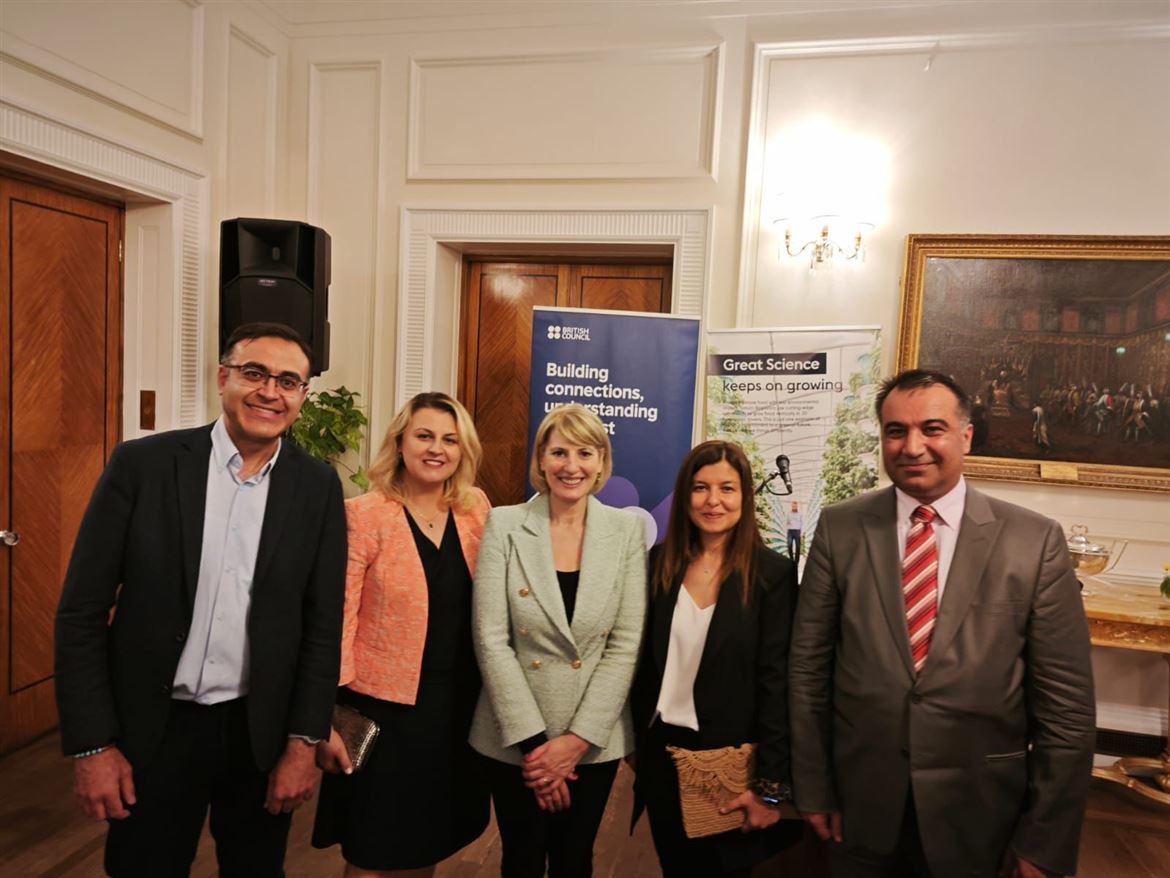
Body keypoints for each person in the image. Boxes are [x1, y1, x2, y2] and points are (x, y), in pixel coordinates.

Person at [54, 322, 347, 877]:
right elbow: (80, 613)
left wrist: (302, 744)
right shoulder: (143, 466)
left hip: (258, 734)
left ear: (303, 395)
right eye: (254, 373)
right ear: (222, 378)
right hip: (154, 731)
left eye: (288, 381)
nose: (270, 392)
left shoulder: (317, 487)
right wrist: (92, 746)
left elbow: (321, 626)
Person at [789, 369, 1095, 878]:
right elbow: (807, 672)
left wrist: (1046, 839)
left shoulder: (1034, 541)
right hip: (860, 805)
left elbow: (1067, 708)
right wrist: (814, 788)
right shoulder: (840, 528)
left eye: (932, 429)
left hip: (982, 813)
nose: (912, 447)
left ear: (966, 436)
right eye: (895, 431)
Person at [312, 392, 492, 876]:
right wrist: (327, 712)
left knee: (427, 840)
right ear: (400, 443)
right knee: (372, 845)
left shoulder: (475, 509)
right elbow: (338, 618)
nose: (437, 449)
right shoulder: (365, 514)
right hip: (383, 710)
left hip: (456, 706)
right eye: (424, 436)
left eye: (450, 439)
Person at [469, 403, 647, 878]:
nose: (572, 465)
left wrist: (574, 743)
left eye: (585, 453)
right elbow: (491, 639)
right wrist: (537, 750)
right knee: (521, 859)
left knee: (574, 860)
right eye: (559, 452)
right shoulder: (505, 524)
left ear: (602, 461)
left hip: (593, 738)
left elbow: (625, 644)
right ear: (541, 460)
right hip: (514, 735)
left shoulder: (626, 530)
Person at [631, 440, 802, 878]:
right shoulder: (657, 564)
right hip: (663, 755)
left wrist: (769, 788)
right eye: (700, 487)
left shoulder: (772, 575)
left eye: (726, 488)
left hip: (732, 764)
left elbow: (777, 683)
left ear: (745, 496)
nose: (713, 501)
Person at [785, 501, 803, 565]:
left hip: (797, 531)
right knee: (789, 545)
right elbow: (786, 522)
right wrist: (787, 524)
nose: (794, 507)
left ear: (797, 506)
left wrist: (802, 532)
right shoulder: (788, 513)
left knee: (798, 547)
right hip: (790, 531)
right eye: (793, 506)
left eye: (795, 506)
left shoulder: (800, 514)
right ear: (791, 506)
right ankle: (791, 559)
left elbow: (802, 523)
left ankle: (796, 562)